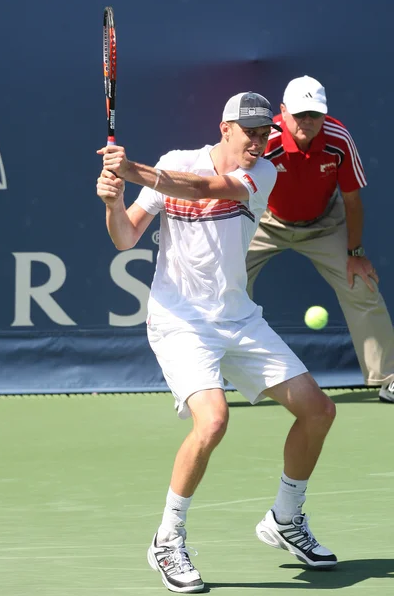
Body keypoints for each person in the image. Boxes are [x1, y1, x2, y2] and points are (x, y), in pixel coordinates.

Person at [96, 91, 337, 594]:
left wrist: (133, 170)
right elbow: (124, 237)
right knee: (213, 419)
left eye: (264, 131)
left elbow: (209, 187)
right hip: (179, 322)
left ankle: (285, 519)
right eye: (248, 130)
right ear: (224, 127)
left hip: (238, 319)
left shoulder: (262, 174)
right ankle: (167, 538)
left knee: (318, 410)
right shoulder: (173, 162)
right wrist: (114, 198)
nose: (258, 139)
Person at [246, 76, 394, 404]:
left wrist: (355, 252)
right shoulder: (264, 143)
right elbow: (234, 186)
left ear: (325, 115)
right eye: (300, 115)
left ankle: (388, 378)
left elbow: (352, 201)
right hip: (266, 222)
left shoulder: (338, 139)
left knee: (362, 284)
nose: (307, 122)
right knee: (227, 284)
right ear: (282, 113)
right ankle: (227, 379)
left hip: (325, 223)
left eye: (314, 114)